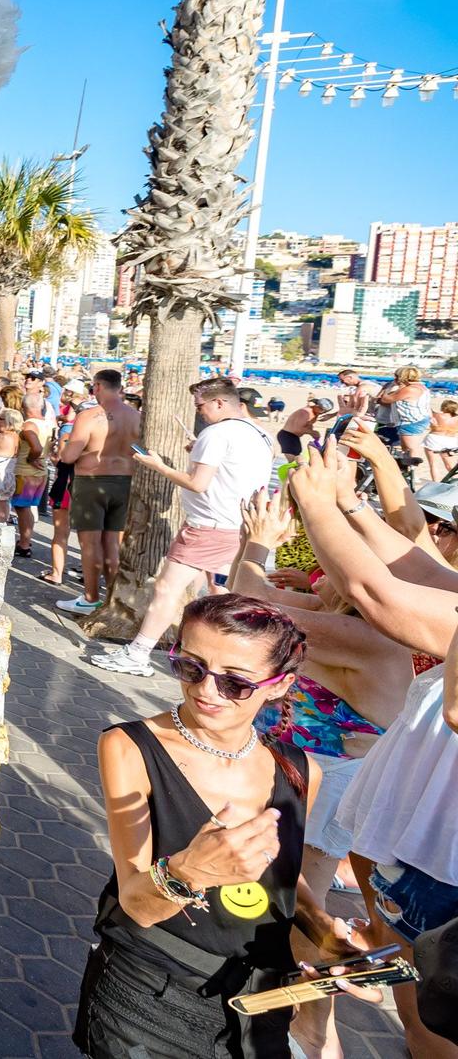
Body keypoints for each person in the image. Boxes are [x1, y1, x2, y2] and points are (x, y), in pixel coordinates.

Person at [79, 593, 370, 1059]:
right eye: (191, 667)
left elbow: (281, 879)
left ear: (278, 685)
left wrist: (325, 935)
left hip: (258, 1000)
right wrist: (190, 871)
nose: (206, 690)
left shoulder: (299, 771)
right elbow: (136, 904)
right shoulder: (130, 746)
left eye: (235, 682)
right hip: (152, 988)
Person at [287, 444, 458, 1057]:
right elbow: (424, 570)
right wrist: (349, 505)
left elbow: (379, 593)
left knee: (431, 1026)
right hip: (416, 840)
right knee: (417, 1004)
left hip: (440, 858)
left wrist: (313, 508)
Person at [233, 488, 416, 1059]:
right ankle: (307, 1021)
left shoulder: (370, 637)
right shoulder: (341, 620)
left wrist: (260, 540)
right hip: (312, 778)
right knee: (291, 900)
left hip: (327, 788)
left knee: (299, 908)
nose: (318, 572)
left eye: (330, 561)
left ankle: (315, 1030)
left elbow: (245, 609)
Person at [92, 377, 276, 677]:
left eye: (201, 406)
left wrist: (159, 466)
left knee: (167, 588)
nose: (199, 412)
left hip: (208, 526)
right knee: (221, 593)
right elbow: (235, 473)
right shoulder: (260, 434)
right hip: (240, 525)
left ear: (220, 403)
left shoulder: (217, 434)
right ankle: (223, 660)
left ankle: (138, 654)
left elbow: (197, 483)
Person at [57, 369, 142, 618]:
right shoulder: (136, 416)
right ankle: (113, 600)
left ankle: (91, 598)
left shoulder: (89, 416)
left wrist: (64, 448)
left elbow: (69, 456)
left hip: (92, 481)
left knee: (90, 544)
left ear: (97, 387)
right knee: (113, 544)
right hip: (125, 482)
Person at [11, 389, 55, 558]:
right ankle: (25, 541)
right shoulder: (48, 423)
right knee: (26, 508)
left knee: (22, 508)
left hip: (26, 471)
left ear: (23, 406)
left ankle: (24, 543)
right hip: (41, 470)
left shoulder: (29, 425)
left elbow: (36, 447)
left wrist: (31, 458)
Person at [379, 366, 435, 474]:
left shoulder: (410, 389)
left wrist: (388, 388)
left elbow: (386, 399)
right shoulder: (421, 387)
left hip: (411, 421)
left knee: (410, 448)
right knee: (407, 448)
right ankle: (408, 471)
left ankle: (411, 473)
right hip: (418, 419)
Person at [278, 395, 334, 460]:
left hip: (293, 437)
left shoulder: (314, 413)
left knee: (297, 460)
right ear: (317, 405)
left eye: (325, 411)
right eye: (322, 410)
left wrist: (313, 433)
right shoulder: (306, 412)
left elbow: (306, 425)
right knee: (294, 462)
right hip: (287, 436)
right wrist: (313, 432)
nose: (323, 412)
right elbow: (297, 429)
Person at [425, 399, 458, 484]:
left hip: (434, 439)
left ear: (443, 407)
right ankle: (455, 483)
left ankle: (435, 483)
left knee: (433, 464)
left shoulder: (437, 415)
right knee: (450, 465)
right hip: (450, 440)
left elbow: (427, 409)